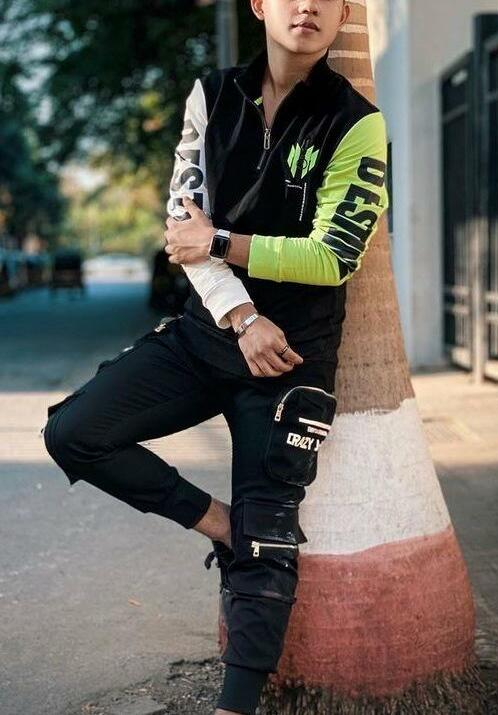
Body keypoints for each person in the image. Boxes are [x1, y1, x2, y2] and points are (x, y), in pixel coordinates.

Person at [42, 0, 389, 712]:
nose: (307, 6)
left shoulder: (357, 122)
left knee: (268, 546)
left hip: (290, 359)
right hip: (210, 335)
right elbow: (183, 226)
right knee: (74, 431)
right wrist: (241, 315)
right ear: (259, 4)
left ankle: (235, 705)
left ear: (344, 13)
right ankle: (223, 526)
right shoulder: (212, 94)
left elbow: (333, 257)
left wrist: (223, 243)